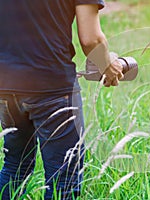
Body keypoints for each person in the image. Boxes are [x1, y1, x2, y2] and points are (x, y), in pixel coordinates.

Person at [0, 0, 123, 199]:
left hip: (5, 86)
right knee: (64, 183)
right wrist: (108, 65)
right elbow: (91, 40)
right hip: (52, 87)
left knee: (15, 168)